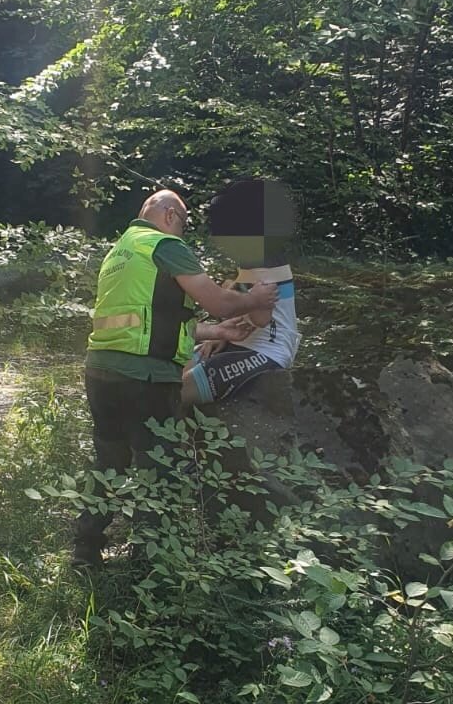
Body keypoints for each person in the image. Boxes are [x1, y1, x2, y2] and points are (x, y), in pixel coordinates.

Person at [71, 190, 277, 569]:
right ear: (169, 216)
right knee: (158, 468)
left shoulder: (120, 251)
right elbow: (218, 300)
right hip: (146, 378)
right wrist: (256, 297)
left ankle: (85, 550)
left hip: (101, 373)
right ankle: (150, 564)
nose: (182, 230)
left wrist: (217, 333)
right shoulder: (165, 245)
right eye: (183, 222)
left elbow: (152, 321)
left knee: (109, 463)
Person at [182, 263, 299, 408]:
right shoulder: (245, 260)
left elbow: (261, 319)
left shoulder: (265, 260)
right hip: (237, 341)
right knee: (171, 371)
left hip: (267, 350)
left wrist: (230, 296)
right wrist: (220, 334)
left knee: (179, 390)